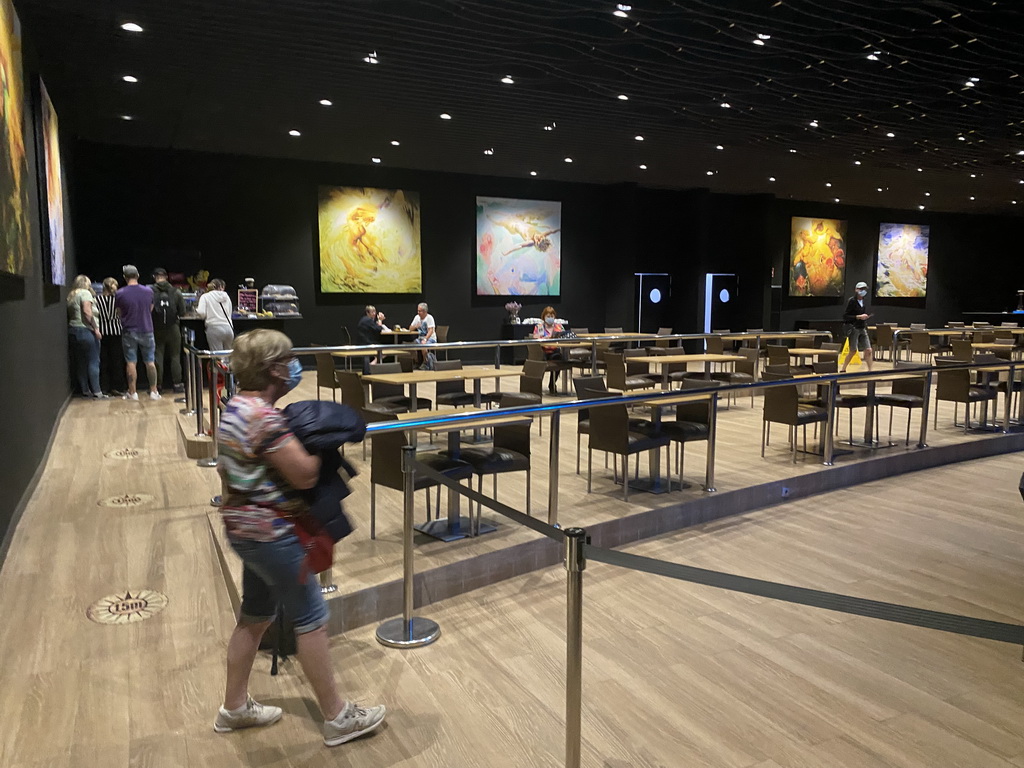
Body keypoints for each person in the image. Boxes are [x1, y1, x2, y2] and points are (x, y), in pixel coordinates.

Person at [214, 329, 385, 746]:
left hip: (242, 528)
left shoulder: (234, 407)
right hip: (273, 534)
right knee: (311, 618)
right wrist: (325, 445)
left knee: (255, 616)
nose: (295, 366)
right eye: (288, 360)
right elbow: (304, 473)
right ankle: (337, 716)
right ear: (273, 368)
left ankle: (233, 708)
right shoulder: (264, 417)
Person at [115, 264, 160, 401]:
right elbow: (150, 308)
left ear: (124, 277)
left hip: (129, 330)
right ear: (138, 276)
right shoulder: (149, 291)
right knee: (150, 361)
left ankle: (132, 392)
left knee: (131, 362)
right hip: (147, 329)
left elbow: (118, 313)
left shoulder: (120, 293)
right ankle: (153, 391)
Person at [66, 274, 106, 399]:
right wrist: (96, 328)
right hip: (86, 330)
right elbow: (87, 312)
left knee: (81, 362)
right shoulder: (85, 294)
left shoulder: (71, 296)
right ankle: (97, 391)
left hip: (73, 330)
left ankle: (85, 390)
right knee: (94, 361)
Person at [151, 267, 186, 393]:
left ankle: (158, 385)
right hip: (173, 328)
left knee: (157, 356)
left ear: (154, 277)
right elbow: (182, 312)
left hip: (156, 327)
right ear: (166, 277)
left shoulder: (150, 291)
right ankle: (177, 384)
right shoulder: (176, 292)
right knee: (175, 356)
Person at [95, 277, 126, 396]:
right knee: (117, 361)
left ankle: (104, 387)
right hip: (116, 331)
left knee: (103, 361)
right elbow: (121, 314)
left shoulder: (97, 299)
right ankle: (117, 387)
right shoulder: (118, 300)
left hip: (102, 332)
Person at [841, 280, 874, 373]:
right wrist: (858, 317)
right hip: (854, 327)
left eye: (865, 289)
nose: (863, 291)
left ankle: (870, 370)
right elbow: (846, 316)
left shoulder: (864, 301)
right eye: (861, 289)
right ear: (856, 290)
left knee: (868, 349)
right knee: (853, 350)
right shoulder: (852, 301)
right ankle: (843, 368)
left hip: (862, 327)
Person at [532, 306, 565, 394]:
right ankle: (537, 385)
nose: (550, 318)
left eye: (552, 316)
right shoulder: (540, 327)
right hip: (543, 352)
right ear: (544, 317)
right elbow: (535, 337)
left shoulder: (558, 327)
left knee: (559, 357)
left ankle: (552, 383)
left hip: (555, 350)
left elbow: (564, 336)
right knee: (550, 356)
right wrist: (543, 337)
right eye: (548, 316)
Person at [196, 278, 235, 353]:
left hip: (214, 329)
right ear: (221, 286)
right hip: (229, 328)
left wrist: (196, 311)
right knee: (229, 357)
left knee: (218, 358)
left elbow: (201, 313)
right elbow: (230, 312)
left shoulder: (205, 296)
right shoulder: (227, 297)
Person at [356, 304, 388, 374]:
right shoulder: (368, 320)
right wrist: (380, 320)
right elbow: (378, 329)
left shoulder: (365, 319)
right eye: (372, 312)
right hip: (367, 343)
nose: (374, 314)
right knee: (385, 351)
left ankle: (373, 366)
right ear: (367, 313)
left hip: (363, 342)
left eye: (375, 312)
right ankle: (372, 365)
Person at [408, 301, 437, 370]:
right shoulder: (417, 317)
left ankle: (426, 362)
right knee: (412, 345)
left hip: (430, 338)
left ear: (424, 311)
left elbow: (431, 331)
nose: (418, 312)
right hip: (420, 338)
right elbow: (410, 328)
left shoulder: (429, 318)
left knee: (423, 345)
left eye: (420, 311)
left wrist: (425, 339)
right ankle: (417, 362)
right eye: (418, 311)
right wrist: (415, 326)